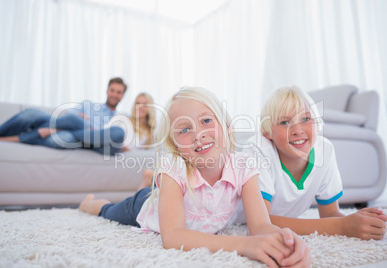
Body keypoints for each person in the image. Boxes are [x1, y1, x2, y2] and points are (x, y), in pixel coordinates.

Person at [79, 87, 311, 267]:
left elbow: (260, 225)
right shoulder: (174, 166)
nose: (198, 134)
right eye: (184, 129)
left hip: (172, 198)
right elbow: (172, 237)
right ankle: (93, 202)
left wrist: (286, 241)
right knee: (109, 211)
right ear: (176, 146)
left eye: (207, 121)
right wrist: (243, 245)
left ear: (227, 127)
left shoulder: (244, 166)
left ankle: (148, 183)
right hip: (143, 207)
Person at [231, 86, 386, 240]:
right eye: (285, 122)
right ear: (267, 133)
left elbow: (330, 214)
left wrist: (356, 222)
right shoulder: (258, 149)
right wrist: (341, 226)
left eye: (305, 119)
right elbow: (262, 222)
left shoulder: (324, 149)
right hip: (232, 220)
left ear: (317, 123)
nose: (297, 130)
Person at [0, 77, 128, 155]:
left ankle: (49, 131)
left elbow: (115, 138)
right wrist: (58, 128)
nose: (114, 94)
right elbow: (67, 118)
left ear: (123, 95)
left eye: (119, 92)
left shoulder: (120, 117)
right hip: (65, 128)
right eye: (112, 90)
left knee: (66, 137)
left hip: (90, 141)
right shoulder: (88, 104)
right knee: (31, 114)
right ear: (107, 90)